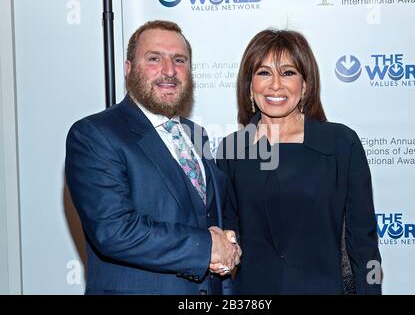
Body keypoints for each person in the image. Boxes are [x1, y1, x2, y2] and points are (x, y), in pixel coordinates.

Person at [65, 20, 241, 295]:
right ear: (128, 68)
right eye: (154, 59)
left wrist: (226, 250)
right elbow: (114, 231)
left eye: (179, 60)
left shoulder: (197, 135)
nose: (169, 71)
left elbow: (213, 220)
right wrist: (207, 247)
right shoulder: (94, 134)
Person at [216, 29, 382, 294]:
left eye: (288, 72)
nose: (276, 85)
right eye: (263, 72)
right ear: (249, 86)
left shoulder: (340, 143)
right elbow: (228, 231)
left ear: (305, 86)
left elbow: (363, 240)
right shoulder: (232, 149)